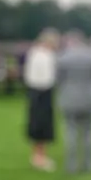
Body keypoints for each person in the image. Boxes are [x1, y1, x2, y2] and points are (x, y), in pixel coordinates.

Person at [56, 30, 91, 174]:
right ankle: (88, 165)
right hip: (89, 97)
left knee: (71, 133)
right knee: (88, 133)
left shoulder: (63, 57)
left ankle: (71, 166)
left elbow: (59, 79)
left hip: (70, 98)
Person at [24, 28, 60, 172]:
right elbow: (48, 77)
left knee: (40, 124)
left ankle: (39, 155)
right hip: (42, 91)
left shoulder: (34, 52)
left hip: (36, 91)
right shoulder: (44, 55)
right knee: (41, 125)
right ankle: (39, 157)